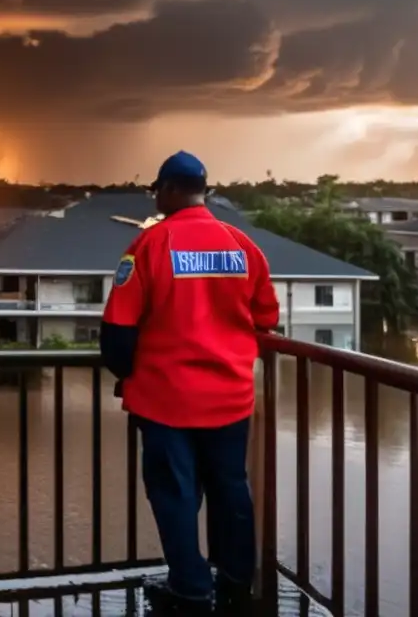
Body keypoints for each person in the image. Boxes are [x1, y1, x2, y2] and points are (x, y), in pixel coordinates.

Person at [100, 151, 280, 615]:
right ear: (205, 191)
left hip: (165, 401)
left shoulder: (148, 246)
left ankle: (192, 588)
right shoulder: (243, 245)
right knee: (230, 487)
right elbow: (267, 318)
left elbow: (118, 330)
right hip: (230, 398)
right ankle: (239, 579)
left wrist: (126, 375)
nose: (156, 197)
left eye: (157, 189)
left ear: (169, 190)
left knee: (175, 494)